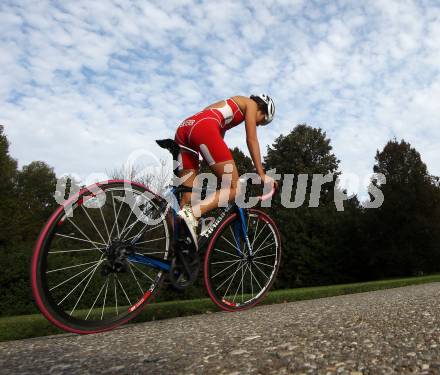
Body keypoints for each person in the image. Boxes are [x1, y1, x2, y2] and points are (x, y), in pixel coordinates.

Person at [175, 94, 276, 247]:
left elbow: (207, 118)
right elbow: (251, 139)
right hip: (204, 127)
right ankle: (192, 214)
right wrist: (261, 174)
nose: (258, 125)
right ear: (263, 109)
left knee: (187, 199)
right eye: (261, 121)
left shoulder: (229, 104)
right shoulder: (251, 104)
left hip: (185, 128)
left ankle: (177, 252)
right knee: (234, 188)